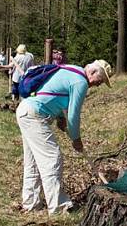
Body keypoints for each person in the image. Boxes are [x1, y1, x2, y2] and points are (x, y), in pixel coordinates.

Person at [15, 59, 112, 214]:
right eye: (99, 81)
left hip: (26, 111)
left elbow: (55, 93)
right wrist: (76, 139)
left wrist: (60, 118)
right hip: (34, 115)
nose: (97, 85)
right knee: (52, 158)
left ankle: (31, 204)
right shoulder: (81, 82)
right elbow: (73, 115)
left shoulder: (72, 70)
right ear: (93, 72)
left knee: (32, 161)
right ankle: (59, 208)